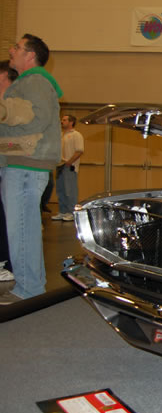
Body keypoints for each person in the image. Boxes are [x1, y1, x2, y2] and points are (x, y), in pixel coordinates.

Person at [0, 34, 62, 303]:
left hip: (25, 164)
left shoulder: (35, 81)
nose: (11, 51)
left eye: (17, 47)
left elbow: (37, 118)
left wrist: (5, 110)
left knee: (21, 227)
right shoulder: (30, 82)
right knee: (24, 227)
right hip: (23, 164)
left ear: (30, 56)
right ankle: (30, 287)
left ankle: (29, 290)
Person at [0, 60, 19, 283]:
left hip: (10, 167)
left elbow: (17, 141)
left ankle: (5, 262)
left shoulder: (13, 104)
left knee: (7, 217)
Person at [52, 115, 84, 221]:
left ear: (71, 122)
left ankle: (71, 212)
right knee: (60, 190)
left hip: (69, 166)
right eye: (62, 120)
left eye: (64, 120)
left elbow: (79, 150)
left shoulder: (76, 135)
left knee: (70, 190)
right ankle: (63, 211)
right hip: (59, 165)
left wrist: (69, 162)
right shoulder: (61, 135)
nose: (62, 121)